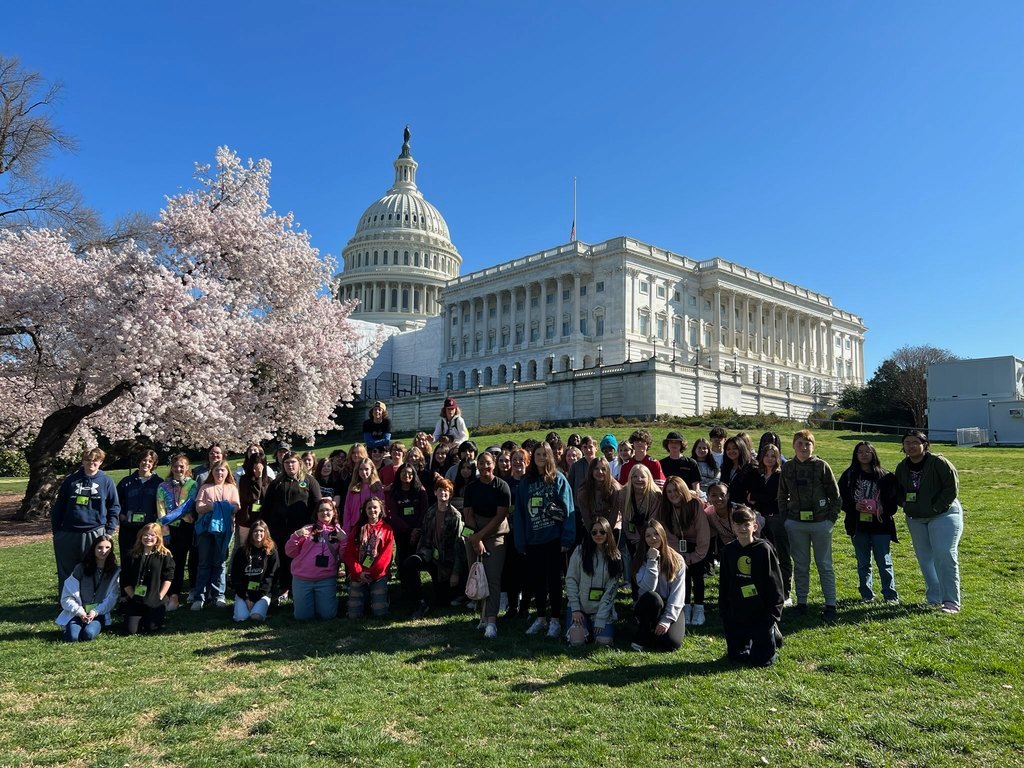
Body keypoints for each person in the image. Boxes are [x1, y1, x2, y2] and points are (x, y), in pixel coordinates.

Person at [894, 430, 963, 613]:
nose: (911, 446)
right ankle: (934, 598)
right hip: (916, 518)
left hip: (944, 514)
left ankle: (951, 602)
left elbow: (951, 488)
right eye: (907, 442)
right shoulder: (902, 467)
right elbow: (898, 490)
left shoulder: (938, 462)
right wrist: (905, 505)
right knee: (925, 560)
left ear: (925, 444)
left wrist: (936, 507)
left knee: (944, 554)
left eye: (915, 442)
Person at [777, 430, 841, 623]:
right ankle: (802, 602)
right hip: (796, 523)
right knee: (801, 565)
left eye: (807, 444)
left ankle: (830, 603)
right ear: (794, 446)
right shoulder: (787, 468)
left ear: (813, 446)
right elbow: (781, 494)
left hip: (821, 523)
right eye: (800, 444)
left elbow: (835, 496)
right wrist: (786, 518)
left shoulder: (822, 466)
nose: (804, 447)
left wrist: (830, 520)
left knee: (824, 564)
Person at [514, 442, 576, 639]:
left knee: (554, 581)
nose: (541, 457)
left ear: (550, 456)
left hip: (554, 539)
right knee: (536, 580)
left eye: (544, 454)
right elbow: (520, 514)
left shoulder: (558, 479)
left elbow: (568, 509)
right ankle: (540, 617)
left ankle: (555, 620)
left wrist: (567, 538)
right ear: (533, 458)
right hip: (533, 540)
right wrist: (521, 541)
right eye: (538, 454)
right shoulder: (526, 482)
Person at [719, 506, 785, 666]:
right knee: (737, 657)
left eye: (746, 524)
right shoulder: (728, 551)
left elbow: (775, 583)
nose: (742, 528)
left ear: (754, 527)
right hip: (737, 611)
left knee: (763, 661)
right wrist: (725, 611)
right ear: (732, 527)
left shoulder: (763, 549)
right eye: (738, 524)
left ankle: (772, 634)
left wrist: (773, 614)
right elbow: (725, 583)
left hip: (761, 611)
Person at [52, 448, 120, 594]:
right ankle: (67, 602)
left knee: (93, 567)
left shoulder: (106, 481)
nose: (91, 463)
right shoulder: (71, 481)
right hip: (68, 532)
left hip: (95, 531)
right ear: (83, 461)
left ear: (101, 462)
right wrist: (57, 532)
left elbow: (114, 507)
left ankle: (91, 600)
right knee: (67, 571)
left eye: (95, 460)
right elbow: (59, 507)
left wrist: (108, 531)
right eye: (88, 460)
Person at [839, 441, 899, 604]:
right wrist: (853, 506)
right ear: (855, 455)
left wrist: (882, 509)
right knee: (863, 563)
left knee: (884, 562)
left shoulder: (886, 476)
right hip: (858, 526)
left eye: (868, 451)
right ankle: (867, 594)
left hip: (881, 526)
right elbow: (841, 499)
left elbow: (894, 503)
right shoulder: (849, 476)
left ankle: (890, 595)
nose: (864, 455)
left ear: (874, 454)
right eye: (860, 452)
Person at [462, 450, 511, 639]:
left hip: (495, 533)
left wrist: (481, 537)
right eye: (481, 463)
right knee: (476, 573)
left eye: (488, 463)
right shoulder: (472, 487)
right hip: (473, 532)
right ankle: (482, 616)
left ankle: (491, 621)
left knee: (492, 577)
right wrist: (475, 539)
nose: (485, 467)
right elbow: (468, 513)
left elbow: (500, 516)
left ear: (494, 464)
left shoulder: (502, 486)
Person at [265, 452, 323, 604]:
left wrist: (314, 526)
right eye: (287, 463)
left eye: (293, 462)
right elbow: (266, 506)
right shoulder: (277, 482)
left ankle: (300, 587)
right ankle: (284, 588)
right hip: (279, 529)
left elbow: (317, 504)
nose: (290, 465)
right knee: (283, 559)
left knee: (300, 559)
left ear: (299, 463)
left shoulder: (310, 481)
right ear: (283, 465)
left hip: (302, 529)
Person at [403, 477, 465, 618]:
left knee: (442, 602)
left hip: (445, 562)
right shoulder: (430, 512)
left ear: (450, 494)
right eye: (440, 490)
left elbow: (458, 546)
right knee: (410, 563)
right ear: (435, 492)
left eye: (446, 491)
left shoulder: (455, 516)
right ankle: (419, 601)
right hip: (429, 554)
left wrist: (455, 573)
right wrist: (420, 555)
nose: (443, 493)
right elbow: (424, 538)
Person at [658, 476, 711, 626]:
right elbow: (667, 534)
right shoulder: (665, 509)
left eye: (676, 490)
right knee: (683, 576)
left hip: (698, 545)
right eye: (669, 492)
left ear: (683, 490)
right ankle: (686, 606)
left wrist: (696, 555)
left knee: (698, 575)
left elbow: (703, 532)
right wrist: (680, 556)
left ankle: (699, 607)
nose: (673, 494)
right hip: (678, 547)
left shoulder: (694, 504)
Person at [565, 516, 621, 647]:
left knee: (603, 642)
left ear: (608, 533)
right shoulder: (580, 551)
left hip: (602, 609)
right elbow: (571, 580)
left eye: (602, 532)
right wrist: (575, 609)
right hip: (580, 608)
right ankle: (584, 627)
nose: (598, 535)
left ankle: (594, 627)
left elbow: (611, 590)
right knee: (576, 642)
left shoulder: (615, 556)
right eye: (594, 532)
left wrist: (601, 618)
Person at [631, 520, 686, 652]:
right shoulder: (639, 558)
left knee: (672, 644)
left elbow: (677, 594)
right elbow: (648, 588)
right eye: (648, 535)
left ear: (662, 535)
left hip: (669, 605)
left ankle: (653, 632)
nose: (653, 538)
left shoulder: (677, 559)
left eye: (656, 534)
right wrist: (651, 561)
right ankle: (643, 632)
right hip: (648, 604)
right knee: (653, 597)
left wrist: (667, 620)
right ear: (643, 539)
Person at [192, 460, 239, 610]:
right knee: (204, 562)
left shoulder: (231, 488)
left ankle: (219, 595)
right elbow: (199, 508)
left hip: (224, 530)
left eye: (222, 471)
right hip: (205, 530)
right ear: (212, 472)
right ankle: (200, 596)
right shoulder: (205, 488)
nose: (219, 473)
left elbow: (237, 507)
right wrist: (212, 507)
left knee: (220, 562)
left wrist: (222, 507)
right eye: (217, 470)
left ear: (227, 473)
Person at [286, 497, 343, 620]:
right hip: (303, 579)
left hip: (325, 580)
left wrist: (344, 541)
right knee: (302, 617)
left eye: (328, 510)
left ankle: (326, 602)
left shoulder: (339, 533)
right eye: (321, 510)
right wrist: (296, 536)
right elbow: (290, 552)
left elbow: (344, 556)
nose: (325, 513)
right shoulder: (307, 529)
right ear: (316, 514)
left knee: (328, 615)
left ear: (334, 512)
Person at [55, 535, 120, 642]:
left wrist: (95, 612)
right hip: (77, 612)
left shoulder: (114, 571)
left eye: (107, 547)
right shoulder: (80, 568)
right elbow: (66, 597)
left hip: (98, 613)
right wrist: (80, 612)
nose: (103, 551)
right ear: (93, 549)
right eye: (99, 547)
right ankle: (71, 627)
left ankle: (95, 625)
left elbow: (111, 599)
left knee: (88, 634)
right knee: (72, 638)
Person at [751, 444, 792, 605]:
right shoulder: (759, 475)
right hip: (761, 518)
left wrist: (757, 497)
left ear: (778, 458)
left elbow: (775, 497)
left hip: (777, 518)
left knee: (782, 556)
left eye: (773, 456)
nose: (769, 458)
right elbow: (753, 495)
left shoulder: (780, 476)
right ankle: (767, 589)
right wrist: (758, 497)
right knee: (765, 555)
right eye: (767, 455)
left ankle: (786, 592)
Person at [156, 453, 198, 611]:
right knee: (171, 562)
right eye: (175, 466)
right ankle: (169, 594)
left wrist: (168, 518)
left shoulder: (192, 484)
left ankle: (184, 593)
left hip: (187, 527)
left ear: (187, 468)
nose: (178, 469)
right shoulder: (163, 486)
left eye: (182, 466)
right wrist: (164, 529)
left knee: (186, 561)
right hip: (169, 530)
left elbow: (187, 506)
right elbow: (160, 508)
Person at [343, 497, 394, 619]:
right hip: (358, 574)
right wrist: (359, 572)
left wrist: (371, 574)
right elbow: (348, 554)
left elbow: (386, 556)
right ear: (364, 510)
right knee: (353, 615)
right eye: (369, 508)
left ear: (381, 509)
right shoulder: (357, 529)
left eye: (375, 507)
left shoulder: (387, 529)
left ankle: (381, 598)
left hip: (377, 575)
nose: (372, 510)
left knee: (379, 613)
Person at [615, 464, 662, 591]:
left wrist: (642, 540)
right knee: (634, 565)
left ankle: (654, 592)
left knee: (650, 564)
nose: (639, 479)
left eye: (642, 476)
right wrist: (634, 539)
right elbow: (625, 519)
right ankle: (635, 596)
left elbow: (653, 521)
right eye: (635, 476)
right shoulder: (623, 494)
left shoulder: (656, 495)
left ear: (648, 478)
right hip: (631, 536)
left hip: (651, 536)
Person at [122, 523, 175, 635]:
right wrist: (132, 596)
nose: (148, 538)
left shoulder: (165, 556)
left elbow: (168, 578)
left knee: (150, 628)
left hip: (155, 599)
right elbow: (125, 578)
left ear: (158, 538)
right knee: (131, 630)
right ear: (140, 536)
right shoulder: (132, 555)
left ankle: (156, 613)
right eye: (145, 535)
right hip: (136, 598)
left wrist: (160, 596)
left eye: (152, 535)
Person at [116, 450, 162, 569]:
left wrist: (155, 518)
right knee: (127, 560)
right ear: (139, 461)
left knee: (146, 561)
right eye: (144, 460)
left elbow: (162, 504)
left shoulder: (159, 483)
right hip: (128, 528)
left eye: (150, 461)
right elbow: (115, 503)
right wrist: (121, 515)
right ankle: (126, 587)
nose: (146, 463)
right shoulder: (126, 482)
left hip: (148, 529)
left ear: (154, 464)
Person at [387, 461, 429, 588]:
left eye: (410, 473)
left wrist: (416, 530)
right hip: (401, 532)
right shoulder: (394, 491)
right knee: (403, 558)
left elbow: (424, 511)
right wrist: (409, 530)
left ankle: (417, 588)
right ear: (399, 474)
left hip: (418, 532)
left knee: (414, 560)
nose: (407, 475)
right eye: (404, 473)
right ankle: (405, 588)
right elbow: (393, 515)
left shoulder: (420, 490)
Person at [229, 520, 280, 622]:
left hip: (262, 593)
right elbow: (236, 576)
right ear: (251, 533)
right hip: (244, 592)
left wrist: (257, 596)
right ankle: (241, 605)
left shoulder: (272, 552)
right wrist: (246, 597)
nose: (258, 534)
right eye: (255, 531)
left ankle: (261, 608)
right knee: (241, 618)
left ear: (266, 533)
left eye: (261, 531)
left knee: (255, 617)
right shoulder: (241, 551)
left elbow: (271, 577)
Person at [576, 457, 622, 540]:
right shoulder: (583, 491)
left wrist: (607, 534)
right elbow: (586, 516)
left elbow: (614, 514)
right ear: (591, 471)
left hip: (612, 525)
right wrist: (594, 533)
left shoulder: (615, 489)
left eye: (603, 469)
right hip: (592, 524)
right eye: (596, 469)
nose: (600, 472)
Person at [342, 458, 385, 536]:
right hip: (355, 525)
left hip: (373, 525)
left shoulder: (377, 487)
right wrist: (346, 527)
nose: (363, 472)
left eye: (366, 469)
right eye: (361, 469)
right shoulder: (353, 488)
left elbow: (382, 507)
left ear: (372, 469)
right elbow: (347, 508)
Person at [237, 452, 271, 548]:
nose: (257, 467)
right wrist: (258, 478)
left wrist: (261, 478)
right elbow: (253, 497)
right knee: (244, 547)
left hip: (262, 520)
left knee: (262, 546)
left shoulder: (268, 481)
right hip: (247, 520)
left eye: (260, 464)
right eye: (255, 464)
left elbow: (266, 498)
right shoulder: (244, 480)